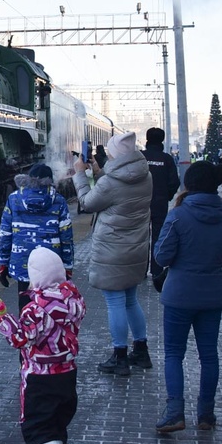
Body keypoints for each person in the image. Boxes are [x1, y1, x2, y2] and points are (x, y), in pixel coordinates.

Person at [152, 161, 222, 433]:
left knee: (174, 354)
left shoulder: (178, 215)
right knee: (209, 355)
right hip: (212, 295)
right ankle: (206, 414)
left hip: (179, 294)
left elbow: (162, 256)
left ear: (189, 184)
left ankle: (175, 413)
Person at [0, 247, 86, 444]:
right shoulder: (74, 300)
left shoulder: (36, 309)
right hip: (67, 373)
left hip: (41, 376)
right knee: (56, 420)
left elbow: (20, 339)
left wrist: (4, 317)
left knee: (39, 423)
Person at [70, 131, 153, 375]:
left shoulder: (110, 183)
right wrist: (99, 172)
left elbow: (87, 202)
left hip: (111, 251)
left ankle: (119, 356)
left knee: (115, 302)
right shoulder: (145, 176)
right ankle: (141, 351)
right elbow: (117, 189)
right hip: (136, 249)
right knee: (131, 300)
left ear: (115, 154)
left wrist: (79, 174)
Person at [0, 163, 74, 310]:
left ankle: (27, 332)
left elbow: (5, 234)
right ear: (50, 181)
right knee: (51, 306)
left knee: (25, 307)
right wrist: (67, 266)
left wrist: (3, 264)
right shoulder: (58, 201)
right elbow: (66, 237)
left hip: (23, 262)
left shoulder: (13, 199)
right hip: (51, 265)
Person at [141, 127, 180, 282]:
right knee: (158, 236)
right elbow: (174, 182)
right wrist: (166, 196)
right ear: (162, 140)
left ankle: (140, 270)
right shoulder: (167, 159)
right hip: (159, 203)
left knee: (141, 237)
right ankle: (156, 270)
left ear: (147, 138)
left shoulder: (140, 157)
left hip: (140, 204)